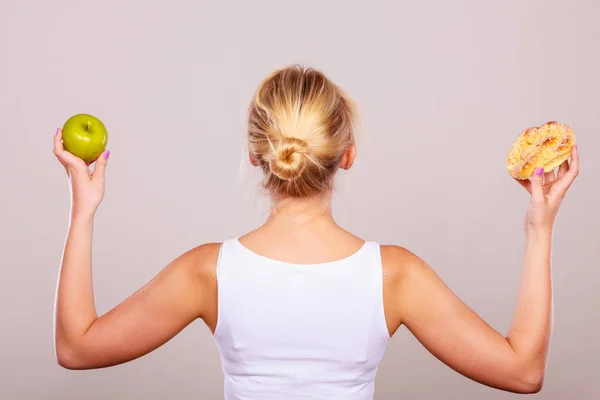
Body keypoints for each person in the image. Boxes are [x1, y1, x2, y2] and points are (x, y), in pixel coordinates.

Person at [52, 65, 579, 399]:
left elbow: (77, 348)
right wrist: (539, 229)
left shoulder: (208, 271)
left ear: (255, 155)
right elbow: (522, 372)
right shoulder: (394, 275)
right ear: (347, 156)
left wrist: (84, 208)